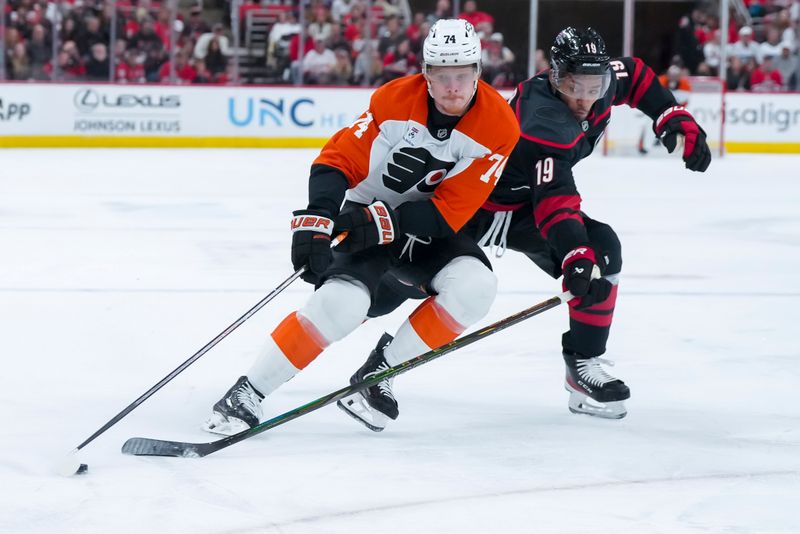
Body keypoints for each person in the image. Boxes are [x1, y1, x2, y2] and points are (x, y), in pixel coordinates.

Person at [203, 19, 519, 435]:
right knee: (342, 304)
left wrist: (377, 221)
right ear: (425, 74)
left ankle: (378, 375)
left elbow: (447, 213)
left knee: (476, 287)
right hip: (368, 211)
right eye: (442, 77)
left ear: (479, 72)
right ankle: (248, 393)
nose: (453, 88)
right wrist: (315, 222)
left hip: (427, 232)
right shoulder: (393, 100)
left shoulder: (499, 126)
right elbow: (337, 161)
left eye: (463, 76)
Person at [460, 27, 712, 420]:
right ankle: (356, 333)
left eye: (595, 86)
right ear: (555, 76)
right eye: (575, 85)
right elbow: (556, 200)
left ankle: (582, 366)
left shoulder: (603, 82)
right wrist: (575, 251)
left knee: (605, 249)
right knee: (405, 281)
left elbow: (639, 76)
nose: (584, 98)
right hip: (474, 207)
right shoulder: (541, 116)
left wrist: (669, 114)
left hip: (526, 209)